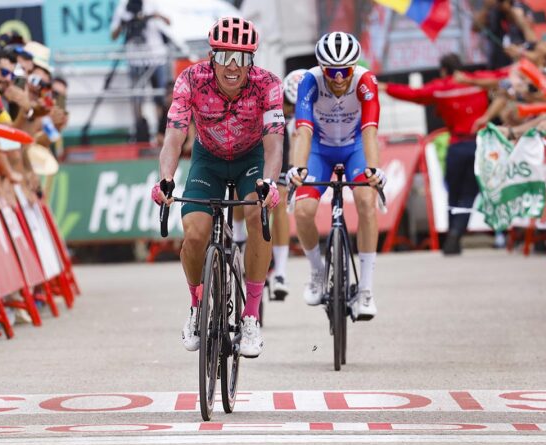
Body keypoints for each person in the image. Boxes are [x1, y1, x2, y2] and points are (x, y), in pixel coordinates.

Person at [152, 17, 284, 357]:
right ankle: (196, 306)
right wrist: (166, 178)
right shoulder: (191, 79)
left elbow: (274, 144)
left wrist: (270, 182)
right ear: (212, 57)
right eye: (225, 56)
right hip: (207, 160)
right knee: (195, 234)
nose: (232, 66)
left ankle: (251, 315)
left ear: (252, 60)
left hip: (250, 159)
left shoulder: (268, 84)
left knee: (257, 217)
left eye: (241, 57)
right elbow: (174, 136)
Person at [288, 32, 386, 321]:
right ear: (322, 68)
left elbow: (370, 131)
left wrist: (373, 169)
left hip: (355, 147)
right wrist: (298, 168)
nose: (340, 77)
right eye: (332, 71)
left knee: (366, 202)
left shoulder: (365, 81)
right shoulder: (310, 81)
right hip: (319, 149)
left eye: (345, 70)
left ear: (354, 67)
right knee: (303, 211)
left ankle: (365, 289)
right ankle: (317, 271)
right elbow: (303, 130)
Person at [379, 53, 491, 255]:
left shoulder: (442, 88)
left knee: (454, 194)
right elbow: (503, 79)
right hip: (479, 145)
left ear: (443, 70)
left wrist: (386, 87)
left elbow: (414, 94)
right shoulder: (479, 82)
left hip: (457, 146)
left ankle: (452, 235)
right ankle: (456, 232)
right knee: (468, 194)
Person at [266, 68, 307, 300]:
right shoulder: (272, 101)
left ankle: (280, 272)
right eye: (288, 105)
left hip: (286, 151)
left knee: (280, 201)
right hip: (265, 146)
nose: (290, 110)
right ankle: (241, 243)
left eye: (295, 107)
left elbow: (297, 143)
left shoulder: (305, 111)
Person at [110, 0, 171, 141]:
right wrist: (125, 23)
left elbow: (169, 22)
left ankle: (162, 131)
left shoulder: (153, 3)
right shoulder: (124, 6)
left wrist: (153, 16)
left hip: (156, 57)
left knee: (161, 97)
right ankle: (140, 132)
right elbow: (113, 34)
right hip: (135, 58)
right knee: (137, 98)